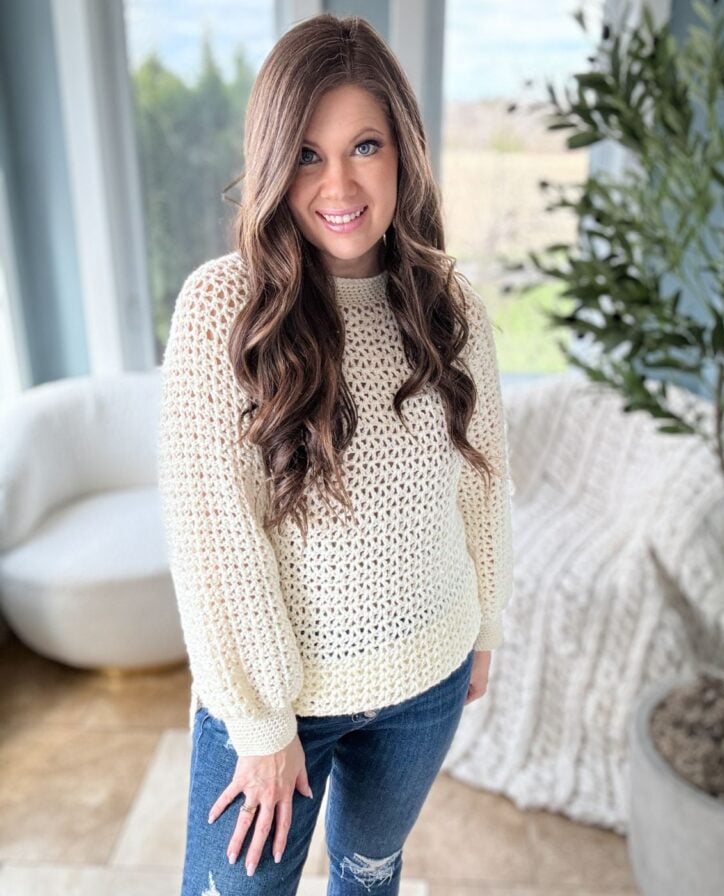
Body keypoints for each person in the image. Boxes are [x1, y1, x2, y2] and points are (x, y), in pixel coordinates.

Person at [157, 12, 515, 896]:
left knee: (368, 877)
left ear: (406, 153)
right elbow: (213, 538)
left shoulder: (451, 306)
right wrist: (259, 722)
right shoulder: (222, 311)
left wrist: (485, 630)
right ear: (276, 159)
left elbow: (484, 482)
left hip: (428, 678)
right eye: (310, 154)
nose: (341, 182)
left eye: (366, 144)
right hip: (281, 710)